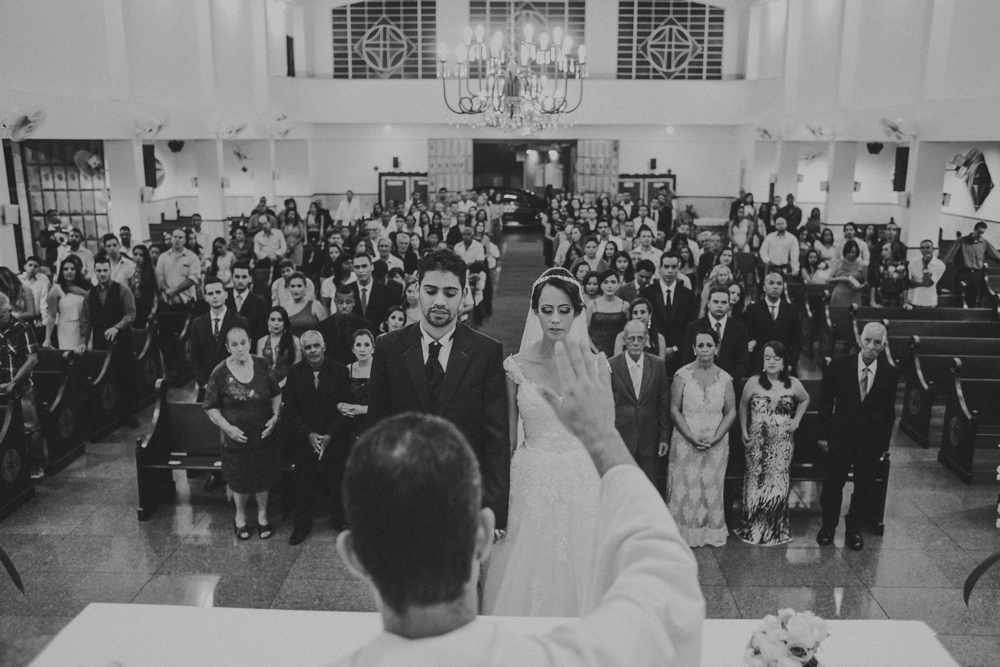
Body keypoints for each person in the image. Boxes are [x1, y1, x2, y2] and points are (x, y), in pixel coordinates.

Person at [482, 269, 600, 616]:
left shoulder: (595, 366)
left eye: (564, 310)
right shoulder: (515, 367)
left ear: (577, 313)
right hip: (531, 478)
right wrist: (498, 499)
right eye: (547, 310)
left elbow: (600, 434)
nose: (555, 319)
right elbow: (507, 437)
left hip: (581, 478)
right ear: (535, 312)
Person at [368, 249, 509, 530]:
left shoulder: (486, 352)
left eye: (450, 292)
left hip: (463, 497)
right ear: (417, 289)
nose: (440, 301)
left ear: (464, 294)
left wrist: (493, 514)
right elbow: (378, 430)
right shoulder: (388, 347)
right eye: (431, 291)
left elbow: (496, 441)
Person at [816, 322, 898, 551]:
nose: (871, 346)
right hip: (841, 436)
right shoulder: (840, 365)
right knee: (833, 484)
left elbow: (889, 412)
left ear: (883, 346)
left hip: (870, 441)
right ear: (860, 340)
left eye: (877, 343)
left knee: (864, 487)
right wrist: (823, 435)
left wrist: (883, 444)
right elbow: (825, 402)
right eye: (868, 340)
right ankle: (828, 526)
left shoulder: (889, 372)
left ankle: (854, 529)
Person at [202, 326, 282, 541]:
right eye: (234, 344)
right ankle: (240, 517)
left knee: (262, 478)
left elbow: (276, 393)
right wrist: (228, 428)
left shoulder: (262, 364)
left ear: (250, 342)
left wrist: (275, 417)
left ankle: (263, 516)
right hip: (235, 438)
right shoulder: (220, 372)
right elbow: (210, 406)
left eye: (243, 343)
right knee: (239, 480)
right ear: (228, 347)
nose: (240, 348)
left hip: (263, 435)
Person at [735, 341, 810, 546]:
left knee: (777, 485)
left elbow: (805, 400)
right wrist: (743, 429)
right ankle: (753, 528)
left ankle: (774, 529)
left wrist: (797, 420)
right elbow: (742, 405)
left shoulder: (793, 383)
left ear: (784, 361)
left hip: (781, 444)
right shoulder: (753, 383)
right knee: (755, 483)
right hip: (756, 443)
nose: (772, 362)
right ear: (762, 361)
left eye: (777, 358)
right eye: (767, 358)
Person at [668, 327, 737, 547]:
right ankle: (684, 531)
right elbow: (674, 409)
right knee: (686, 484)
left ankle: (709, 531)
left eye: (709, 345)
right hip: (685, 439)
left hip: (716, 443)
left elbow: (731, 411)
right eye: (700, 345)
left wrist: (716, 438)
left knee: (711, 485)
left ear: (716, 348)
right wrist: (689, 436)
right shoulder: (682, 375)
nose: (705, 349)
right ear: (693, 348)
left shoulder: (725, 378)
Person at [283, 330, 351, 545]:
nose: (313, 351)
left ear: (324, 347)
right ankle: (302, 525)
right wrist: (309, 435)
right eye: (308, 347)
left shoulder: (340, 371)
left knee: (337, 480)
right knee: (303, 481)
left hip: (333, 437)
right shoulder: (294, 373)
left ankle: (340, 520)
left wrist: (329, 435)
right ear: (303, 351)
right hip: (305, 437)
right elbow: (290, 411)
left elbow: (345, 409)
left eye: (316, 346)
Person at [610, 320, 671, 486]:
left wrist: (664, 437)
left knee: (648, 485)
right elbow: (606, 404)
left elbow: (662, 402)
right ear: (624, 340)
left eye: (640, 338)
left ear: (646, 340)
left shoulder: (657, 365)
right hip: (622, 436)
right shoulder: (612, 365)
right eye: (631, 338)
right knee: (622, 485)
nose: (635, 343)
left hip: (649, 437)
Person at [0, 293, 46, 479]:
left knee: (30, 428)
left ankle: (36, 465)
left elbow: (32, 360)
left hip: (21, 387)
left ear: (9, 310)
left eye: (0, 316)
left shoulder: (23, 328)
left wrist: (13, 383)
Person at [640, 253, 698, 376]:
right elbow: (642, 323)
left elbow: (691, 326)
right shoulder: (646, 293)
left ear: (678, 268)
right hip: (652, 352)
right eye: (666, 267)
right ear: (660, 268)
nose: (670, 271)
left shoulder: (688, 295)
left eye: (673, 267)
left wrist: (675, 348)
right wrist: (658, 347)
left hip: (680, 355)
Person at [190, 278, 249, 400]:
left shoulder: (239, 321)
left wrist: (233, 383)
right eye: (210, 294)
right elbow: (195, 357)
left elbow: (244, 355)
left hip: (234, 386)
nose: (215, 296)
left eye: (218, 292)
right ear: (205, 298)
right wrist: (205, 384)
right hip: (207, 387)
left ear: (225, 295)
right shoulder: (197, 323)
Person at [680, 284, 750, 383]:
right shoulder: (694, 327)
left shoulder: (740, 329)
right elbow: (687, 359)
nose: (719, 305)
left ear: (729, 305)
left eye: (724, 302)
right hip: (699, 384)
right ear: (708, 303)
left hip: (730, 384)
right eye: (716, 302)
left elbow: (742, 363)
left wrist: (726, 382)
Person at [744, 271, 802, 374]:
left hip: (784, 363)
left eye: (779, 284)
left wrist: (791, 364)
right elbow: (749, 337)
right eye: (771, 283)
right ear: (764, 287)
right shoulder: (753, 309)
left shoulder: (792, 310)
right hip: (758, 364)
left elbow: (797, 341)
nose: (775, 287)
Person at [942, 220, 1000, 307]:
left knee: (973, 298)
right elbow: (949, 255)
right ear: (974, 230)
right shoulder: (961, 241)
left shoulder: (984, 243)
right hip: (963, 273)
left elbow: (996, 255)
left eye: (983, 233)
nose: (981, 235)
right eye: (979, 232)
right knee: (960, 298)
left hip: (977, 275)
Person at [317, 283, 373, 366]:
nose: (344, 306)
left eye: (348, 302)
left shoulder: (365, 326)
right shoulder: (322, 327)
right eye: (340, 302)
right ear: (335, 302)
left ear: (354, 302)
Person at [44, 256, 89, 350]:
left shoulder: (85, 286)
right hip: (67, 329)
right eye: (65, 269)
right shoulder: (56, 289)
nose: (69, 271)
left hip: (85, 328)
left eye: (72, 269)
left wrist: (83, 293)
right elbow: (51, 315)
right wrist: (47, 338)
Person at [339, 329, 374, 442]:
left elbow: (387, 402)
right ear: (353, 349)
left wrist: (363, 409)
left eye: (367, 345)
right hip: (352, 424)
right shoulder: (347, 370)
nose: (362, 349)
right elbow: (338, 398)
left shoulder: (380, 368)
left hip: (375, 422)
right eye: (358, 345)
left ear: (373, 348)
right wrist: (341, 407)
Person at [586, 269, 629, 357]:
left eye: (613, 282)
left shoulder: (625, 306)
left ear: (618, 284)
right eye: (605, 282)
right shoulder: (592, 305)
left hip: (619, 354)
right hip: (595, 353)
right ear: (600, 285)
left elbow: (628, 332)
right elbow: (586, 332)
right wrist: (596, 351)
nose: (609, 286)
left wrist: (620, 352)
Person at [827, 240, 867, 335]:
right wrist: (845, 279)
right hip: (840, 293)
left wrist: (861, 286)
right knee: (838, 319)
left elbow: (866, 283)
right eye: (849, 252)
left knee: (854, 320)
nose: (851, 254)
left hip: (854, 294)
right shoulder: (839, 263)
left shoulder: (862, 265)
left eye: (853, 252)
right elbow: (829, 279)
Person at [256, 306, 302, 386]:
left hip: (289, 384)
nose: (276, 323)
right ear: (268, 321)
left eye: (280, 320)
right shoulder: (261, 341)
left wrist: (280, 385)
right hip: (267, 385)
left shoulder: (295, 340)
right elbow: (260, 368)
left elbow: (297, 367)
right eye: (273, 320)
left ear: (285, 322)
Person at [351, 252, 398, 327]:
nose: (361, 270)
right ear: (353, 269)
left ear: (372, 267)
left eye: (364, 266)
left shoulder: (386, 291)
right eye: (357, 267)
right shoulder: (348, 290)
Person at [226, 261, 268, 345]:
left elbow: (262, 333)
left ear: (250, 279)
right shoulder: (224, 299)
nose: (240, 281)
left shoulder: (260, 303)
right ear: (231, 278)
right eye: (237, 277)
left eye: (244, 277)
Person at [613, 297, 666, 361]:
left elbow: (660, 365)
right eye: (635, 313)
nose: (638, 316)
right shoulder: (621, 337)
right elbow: (617, 364)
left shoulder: (659, 338)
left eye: (642, 312)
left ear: (650, 315)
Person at [284, 272, 328, 337]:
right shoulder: (285, 307)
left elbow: (326, 329)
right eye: (292, 286)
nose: (296, 289)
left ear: (305, 287)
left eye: (299, 286)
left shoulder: (315, 305)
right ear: (289, 288)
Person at [869, 242, 910, 307]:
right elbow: (874, 284)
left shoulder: (902, 266)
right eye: (882, 250)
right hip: (881, 301)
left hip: (897, 301)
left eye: (886, 250)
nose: (883, 252)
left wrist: (906, 303)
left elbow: (905, 285)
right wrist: (872, 301)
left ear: (894, 251)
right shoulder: (879, 266)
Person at [907, 239, 946, 308]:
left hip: (929, 301)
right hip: (913, 300)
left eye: (928, 247)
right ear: (920, 249)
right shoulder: (913, 263)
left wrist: (925, 265)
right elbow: (909, 283)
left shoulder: (940, 265)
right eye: (922, 248)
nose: (925, 250)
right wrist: (923, 283)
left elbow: (928, 283)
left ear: (933, 249)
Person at [129, 245, 158, 328]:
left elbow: (155, 294)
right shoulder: (130, 271)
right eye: (135, 254)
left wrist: (153, 311)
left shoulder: (151, 272)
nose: (137, 257)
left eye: (141, 255)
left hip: (146, 306)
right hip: (133, 306)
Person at [19, 256, 50, 325]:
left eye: (35, 266)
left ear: (39, 269)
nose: (32, 268)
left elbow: (44, 300)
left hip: (38, 317)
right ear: (24, 267)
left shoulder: (43, 279)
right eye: (30, 265)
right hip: (22, 317)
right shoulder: (18, 279)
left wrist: (45, 319)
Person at [280, 201, 305, 267]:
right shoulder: (283, 225)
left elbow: (302, 236)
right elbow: (281, 236)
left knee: (296, 265)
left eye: (292, 214)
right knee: (287, 264)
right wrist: (287, 245)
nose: (290, 216)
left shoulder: (299, 224)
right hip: (286, 246)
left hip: (297, 246)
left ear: (295, 215)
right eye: (289, 214)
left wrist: (294, 244)